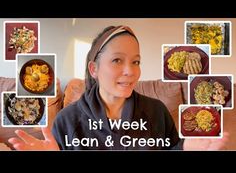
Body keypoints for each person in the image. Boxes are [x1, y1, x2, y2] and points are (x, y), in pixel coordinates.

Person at [8, 25, 229, 150]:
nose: (130, 71)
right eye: (117, 61)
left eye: (136, 61)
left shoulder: (156, 112)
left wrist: (186, 149)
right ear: (94, 69)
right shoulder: (68, 120)